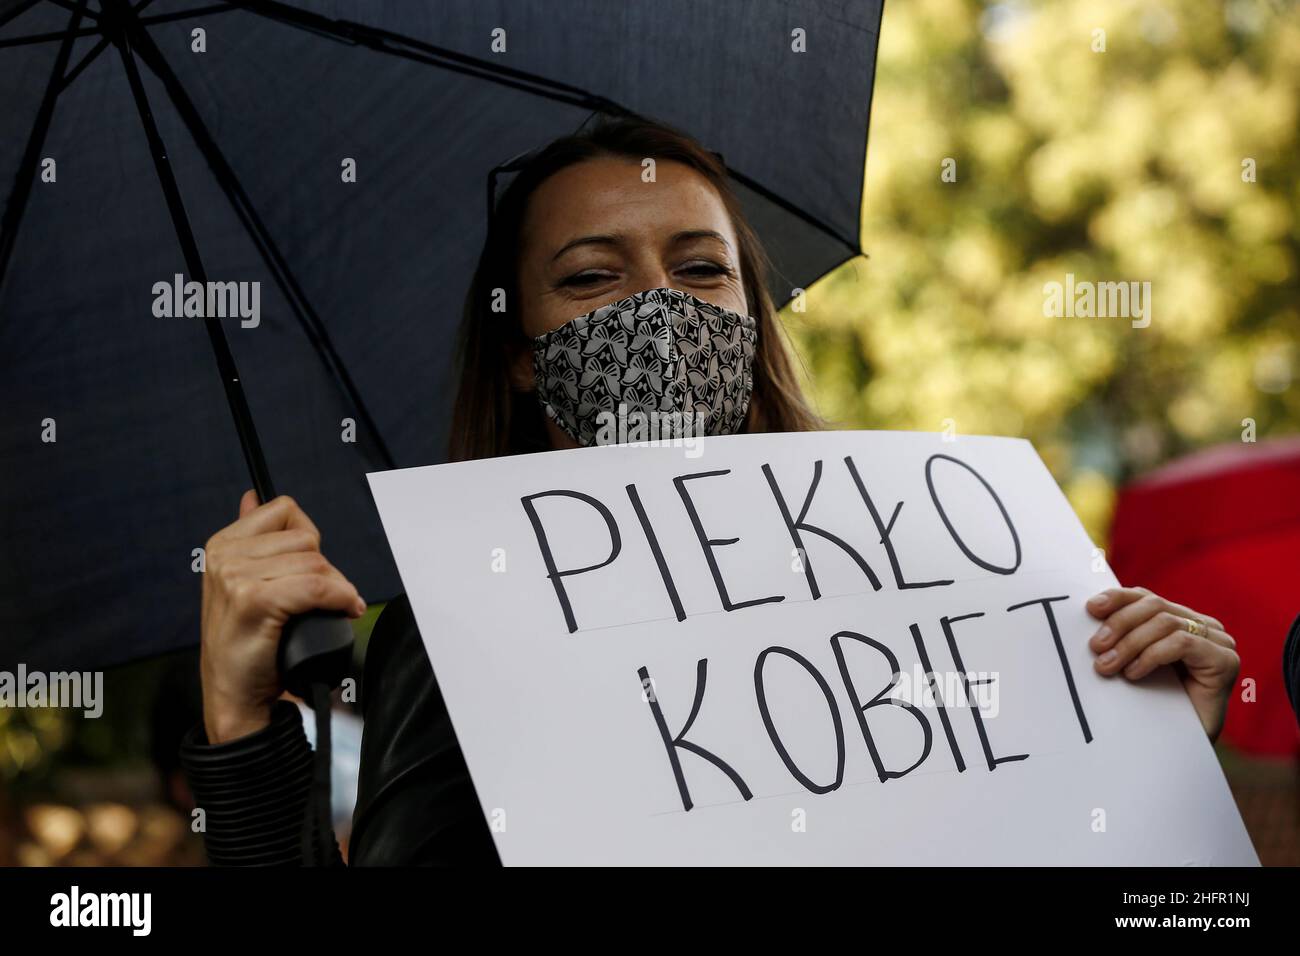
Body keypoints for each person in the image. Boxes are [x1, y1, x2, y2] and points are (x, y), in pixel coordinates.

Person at [180, 115, 1242, 866]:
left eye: (700, 267)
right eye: (593, 276)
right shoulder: (462, 626)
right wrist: (244, 728)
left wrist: (1146, 758)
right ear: (517, 350)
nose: (656, 307)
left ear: (752, 314)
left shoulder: (927, 580)